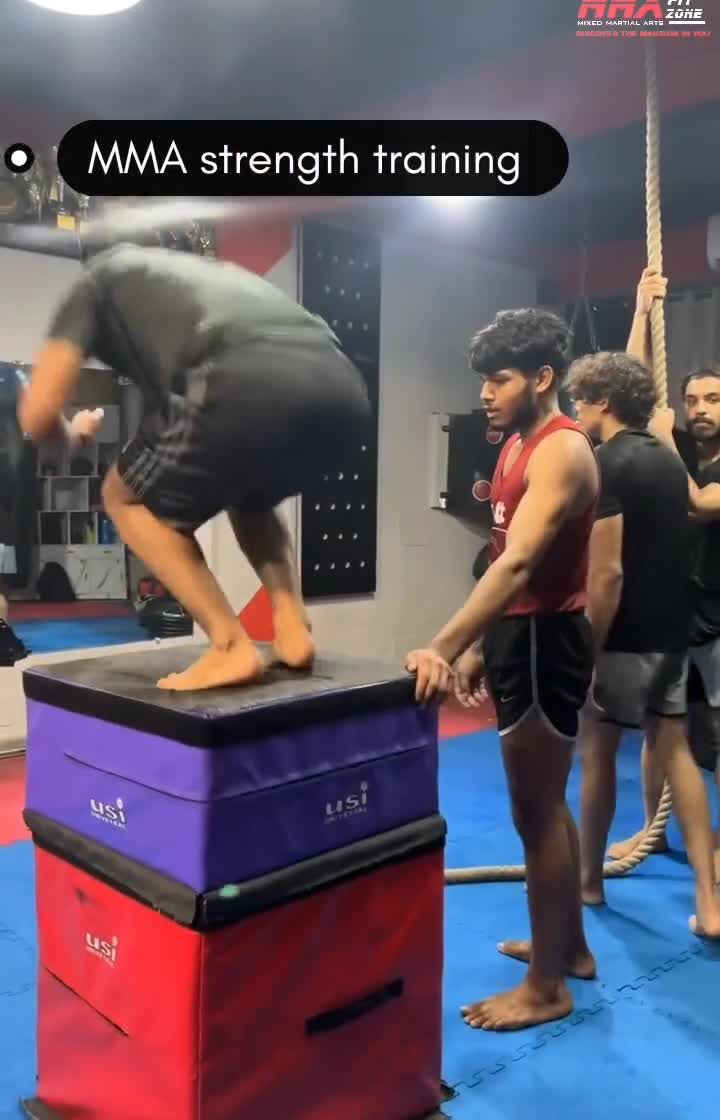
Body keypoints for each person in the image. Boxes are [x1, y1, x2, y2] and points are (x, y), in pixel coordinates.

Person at [18, 241, 371, 691]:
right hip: (345, 392)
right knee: (251, 497)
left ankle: (230, 646)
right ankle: (292, 626)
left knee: (122, 497)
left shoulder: (96, 282)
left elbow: (38, 416)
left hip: (236, 378)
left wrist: (76, 434)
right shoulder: (208, 274)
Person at [406, 308, 599, 1031]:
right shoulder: (516, 443)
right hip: (523, 635)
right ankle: (568, 948)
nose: (485, 394)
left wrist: (442, 645)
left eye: (500, 379)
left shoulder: (561, 451)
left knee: (535, 811)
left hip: (547, 640)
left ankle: (547, 988)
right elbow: (505, 556)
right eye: (484, 380)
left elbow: (519, 565)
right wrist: (484, 646)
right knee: (546, 806)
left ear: (542, 378)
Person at [568, 351, 720, 936]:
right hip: (672, 633)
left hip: (625, 637)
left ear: (603, 402)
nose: (577, 411)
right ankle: (709, 902)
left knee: (598, 753)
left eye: (581, 400)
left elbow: (607, 574)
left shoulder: (602, 463)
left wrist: (588, 651)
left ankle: (588, 881)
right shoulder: (669, 461)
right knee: (677, 752)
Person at [609, 271, 720, 881]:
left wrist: (662, 446)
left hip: (719, 619)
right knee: (660, 731)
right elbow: (629, 387)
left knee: (718, 736)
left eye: (713, 400)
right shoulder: (673, 440)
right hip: (677, 613)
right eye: (693, 400)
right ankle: (651, 830)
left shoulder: (682, 456)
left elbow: (700, 504)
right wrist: (640, 311)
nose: (700, 410)